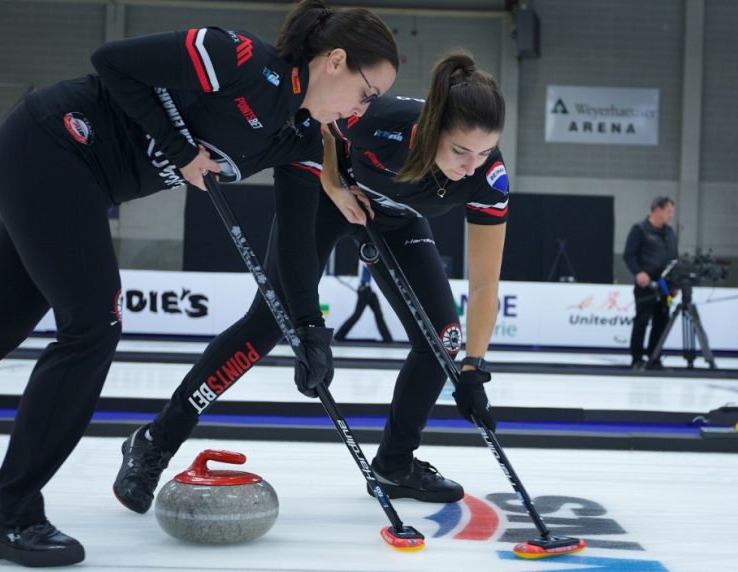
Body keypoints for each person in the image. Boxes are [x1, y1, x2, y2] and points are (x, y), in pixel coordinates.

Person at [0, 1, 398, 567]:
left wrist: (310, 329)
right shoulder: (239, 57)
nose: (361, 109)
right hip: (51, 144)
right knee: (93, 324)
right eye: (366, 92)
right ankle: (8, 513)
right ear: (336, 60)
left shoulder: (298, 138)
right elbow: (113, 60)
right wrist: (180, 148)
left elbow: (295, 242)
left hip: (81, 183)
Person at [114, 50, 505, 512]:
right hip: (326, 200)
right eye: (460, 151)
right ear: (434, 128)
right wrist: (337, 184)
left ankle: (395, 464)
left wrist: (474, 366)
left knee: (444, 339)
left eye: (484, 152)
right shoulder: (384, 122)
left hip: (396, 220)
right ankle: (156, 439)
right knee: (268, 324)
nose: (471, 165)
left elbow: (483, 285)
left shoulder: (488, 179)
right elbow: (319, 125)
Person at [622, 196, 678, 369]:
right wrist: (638, 273)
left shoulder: (669, 233)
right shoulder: (639, 229)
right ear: (657, 210)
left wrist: (674, 284)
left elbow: (674, 258)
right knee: (641, 321)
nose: (671, 216)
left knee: (661, 322)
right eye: (669, 211)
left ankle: (654, 357)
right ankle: (637, 358)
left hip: (664, 286)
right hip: (646, 286)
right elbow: (628, 255)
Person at [334, 261, 393, 343]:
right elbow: (369, 264)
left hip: (369, 290)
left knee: (378, 314)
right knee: (357, 315)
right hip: (364, 290)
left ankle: (388, 339)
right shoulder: (366, 260)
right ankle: (338, 336)